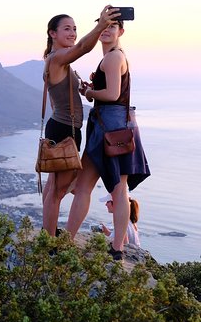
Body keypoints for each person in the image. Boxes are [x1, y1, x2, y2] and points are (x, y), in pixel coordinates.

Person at [64, 17, 150, 259]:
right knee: (90, 187)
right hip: (113, 126)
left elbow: (112, 94)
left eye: (112, 26)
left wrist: (89, 92)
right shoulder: (114, 56)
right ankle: (114, 247)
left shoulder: (113, 57)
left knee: (113, 189)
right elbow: (112, 93)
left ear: (121, 30)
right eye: (104, 25)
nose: (107, 30)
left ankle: (114, 246)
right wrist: (92, 91)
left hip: (110, 128)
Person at [41, 6, 120, 236]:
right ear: (52, 33)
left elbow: (57, 100)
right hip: (65, 129)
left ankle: (48, 233)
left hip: (61, 126)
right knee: (58, 190)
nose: (73, 33)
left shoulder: (58, 61)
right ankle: (49, 241)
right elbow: (84, 47)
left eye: (75, 28)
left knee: (53, 186)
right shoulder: (57, 58)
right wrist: (102, 25)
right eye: (67, 28)